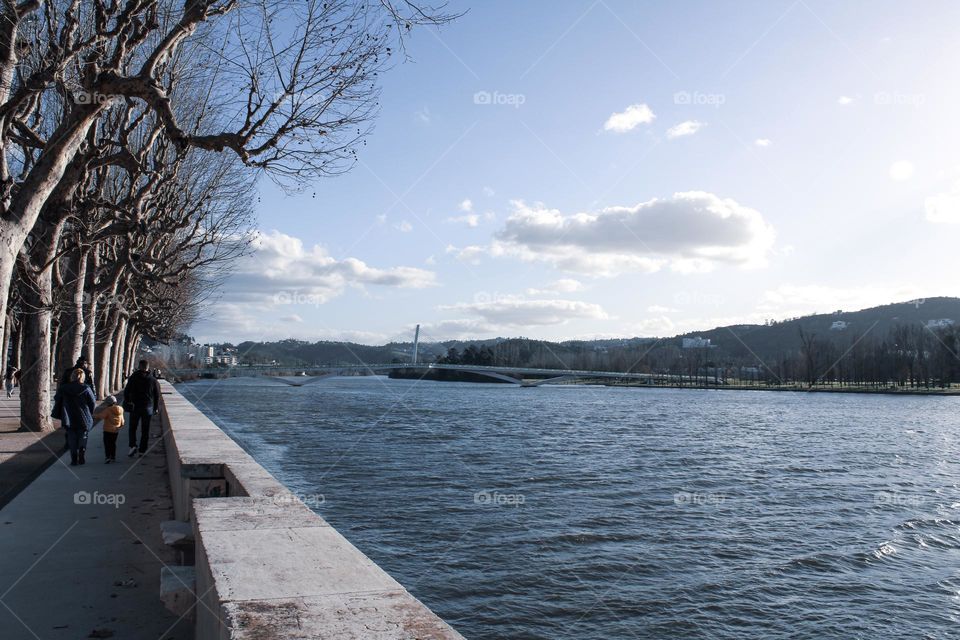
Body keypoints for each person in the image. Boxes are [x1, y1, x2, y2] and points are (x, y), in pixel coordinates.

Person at [53, 369, 96, 466]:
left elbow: (56, 398)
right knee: (83, 435)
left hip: (68, 416)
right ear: (83, 377)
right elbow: (92, 402)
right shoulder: (86, 388)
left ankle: (73, 457)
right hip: (84, 416)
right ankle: (82, 449)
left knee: (71, 437)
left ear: (72, 376)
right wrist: (90, 412)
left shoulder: (64, 388)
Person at [123, 360, 160, 457]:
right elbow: (156, 395)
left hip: (135, 407)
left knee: (132, 428)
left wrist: (128, 401)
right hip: (147, 407)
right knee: (145, 430)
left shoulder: (133, 378)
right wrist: (156, 408)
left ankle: (132, 446)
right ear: (148, 368)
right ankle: (142, 450)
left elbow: (126, 392)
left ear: (139, 367)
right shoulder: (152, 380)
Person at [93, 396, 124, 463]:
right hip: (116, 430)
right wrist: (119, 426)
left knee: (107, 444)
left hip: (107, 430)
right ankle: (113, 457)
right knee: (113, 443)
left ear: (108, 403)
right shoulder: (120, 410)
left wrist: (94, 415)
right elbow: (122, 421)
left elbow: (101, 416)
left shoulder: (108, 410)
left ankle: (107, 457)